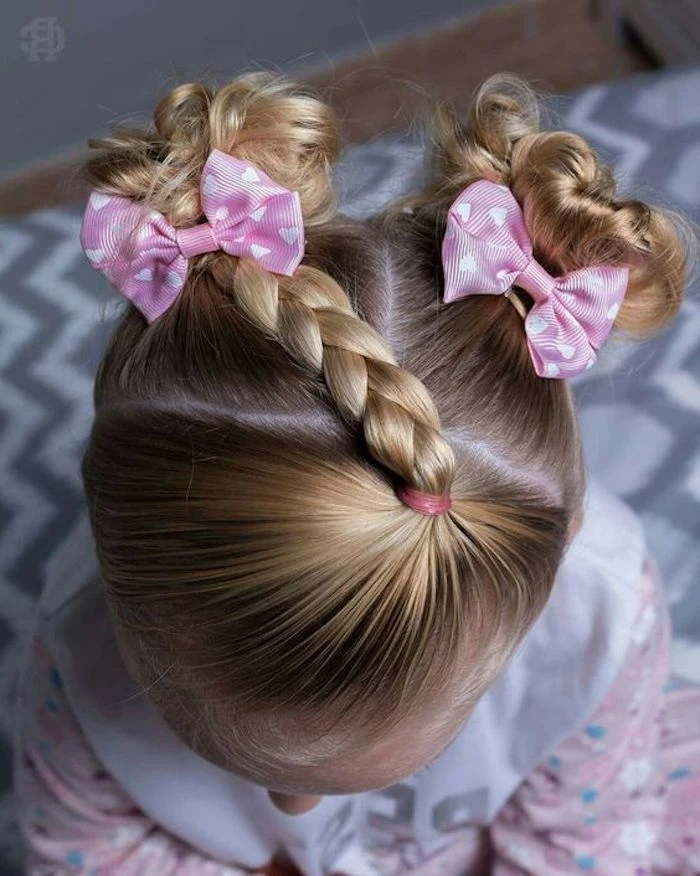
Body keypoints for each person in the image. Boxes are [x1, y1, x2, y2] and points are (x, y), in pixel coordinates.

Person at [13, 72, 700, 875]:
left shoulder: (601, 618)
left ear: (562, 555)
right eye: (248, 770)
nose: (295, 815)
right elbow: (91, 849)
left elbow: (583, 842)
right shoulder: (79, 648)